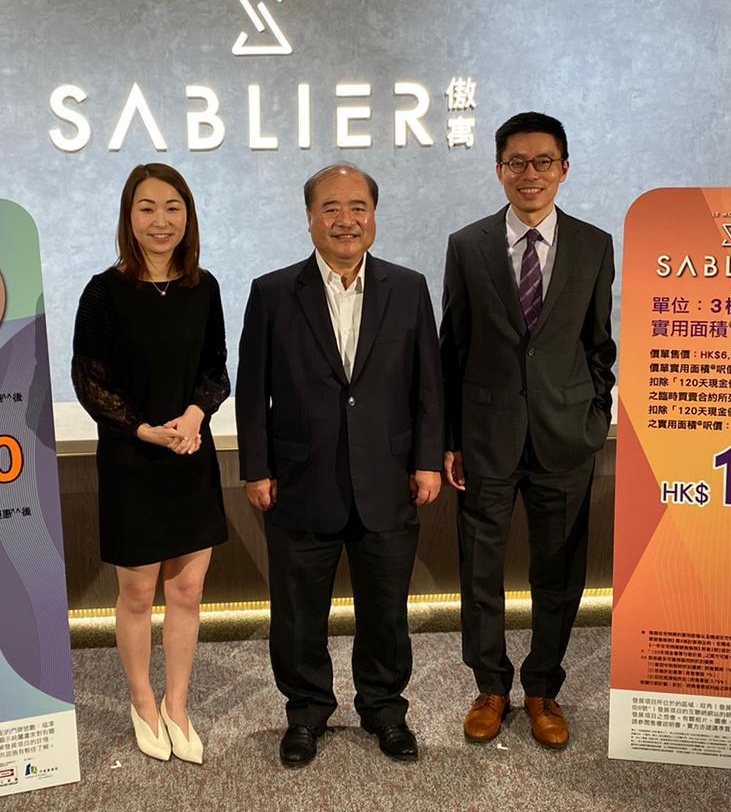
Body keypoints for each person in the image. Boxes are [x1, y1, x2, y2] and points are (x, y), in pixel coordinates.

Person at [237, 162, 443, 767]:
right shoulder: (273, 292)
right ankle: (305, 712)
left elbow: (428, 386)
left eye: (358, 207)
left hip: (388, 478)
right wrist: (256, 467)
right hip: (300, 482)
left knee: (387, 611)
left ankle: (384, 709)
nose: (345, 220)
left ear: (374, 216)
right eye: (330, 208)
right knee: (299, 612)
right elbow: (252, 391)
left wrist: (427, 461)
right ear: (309, 218)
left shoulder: (408, 287)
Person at [439, 111, 616, 749]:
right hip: (486, 437)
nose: (530, 174)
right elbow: (452, 347)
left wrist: (594, 415)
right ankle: (490, 685)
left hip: (565, 437)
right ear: (499, 170)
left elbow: (599, 343)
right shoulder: (468, 245)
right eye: (516, 162)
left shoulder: (595, 245)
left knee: (559, 573)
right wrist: (450, 438)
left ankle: (543, 687)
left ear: (564, 169)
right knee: (479, 569)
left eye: (543, 162)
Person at [72, 163, 229, 764]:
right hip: (132, 458)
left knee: (188, 590)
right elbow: (89, 380)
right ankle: (142, 701)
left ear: (188, 215)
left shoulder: (204, 287)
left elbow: (215, 369)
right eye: (147, 208)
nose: (160, 221)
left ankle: (177, 704)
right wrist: (143, 428)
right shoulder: (103, 292)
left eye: (172, 207)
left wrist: (193, 416)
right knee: (137, 594)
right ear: (128, 217)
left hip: (189, 453)